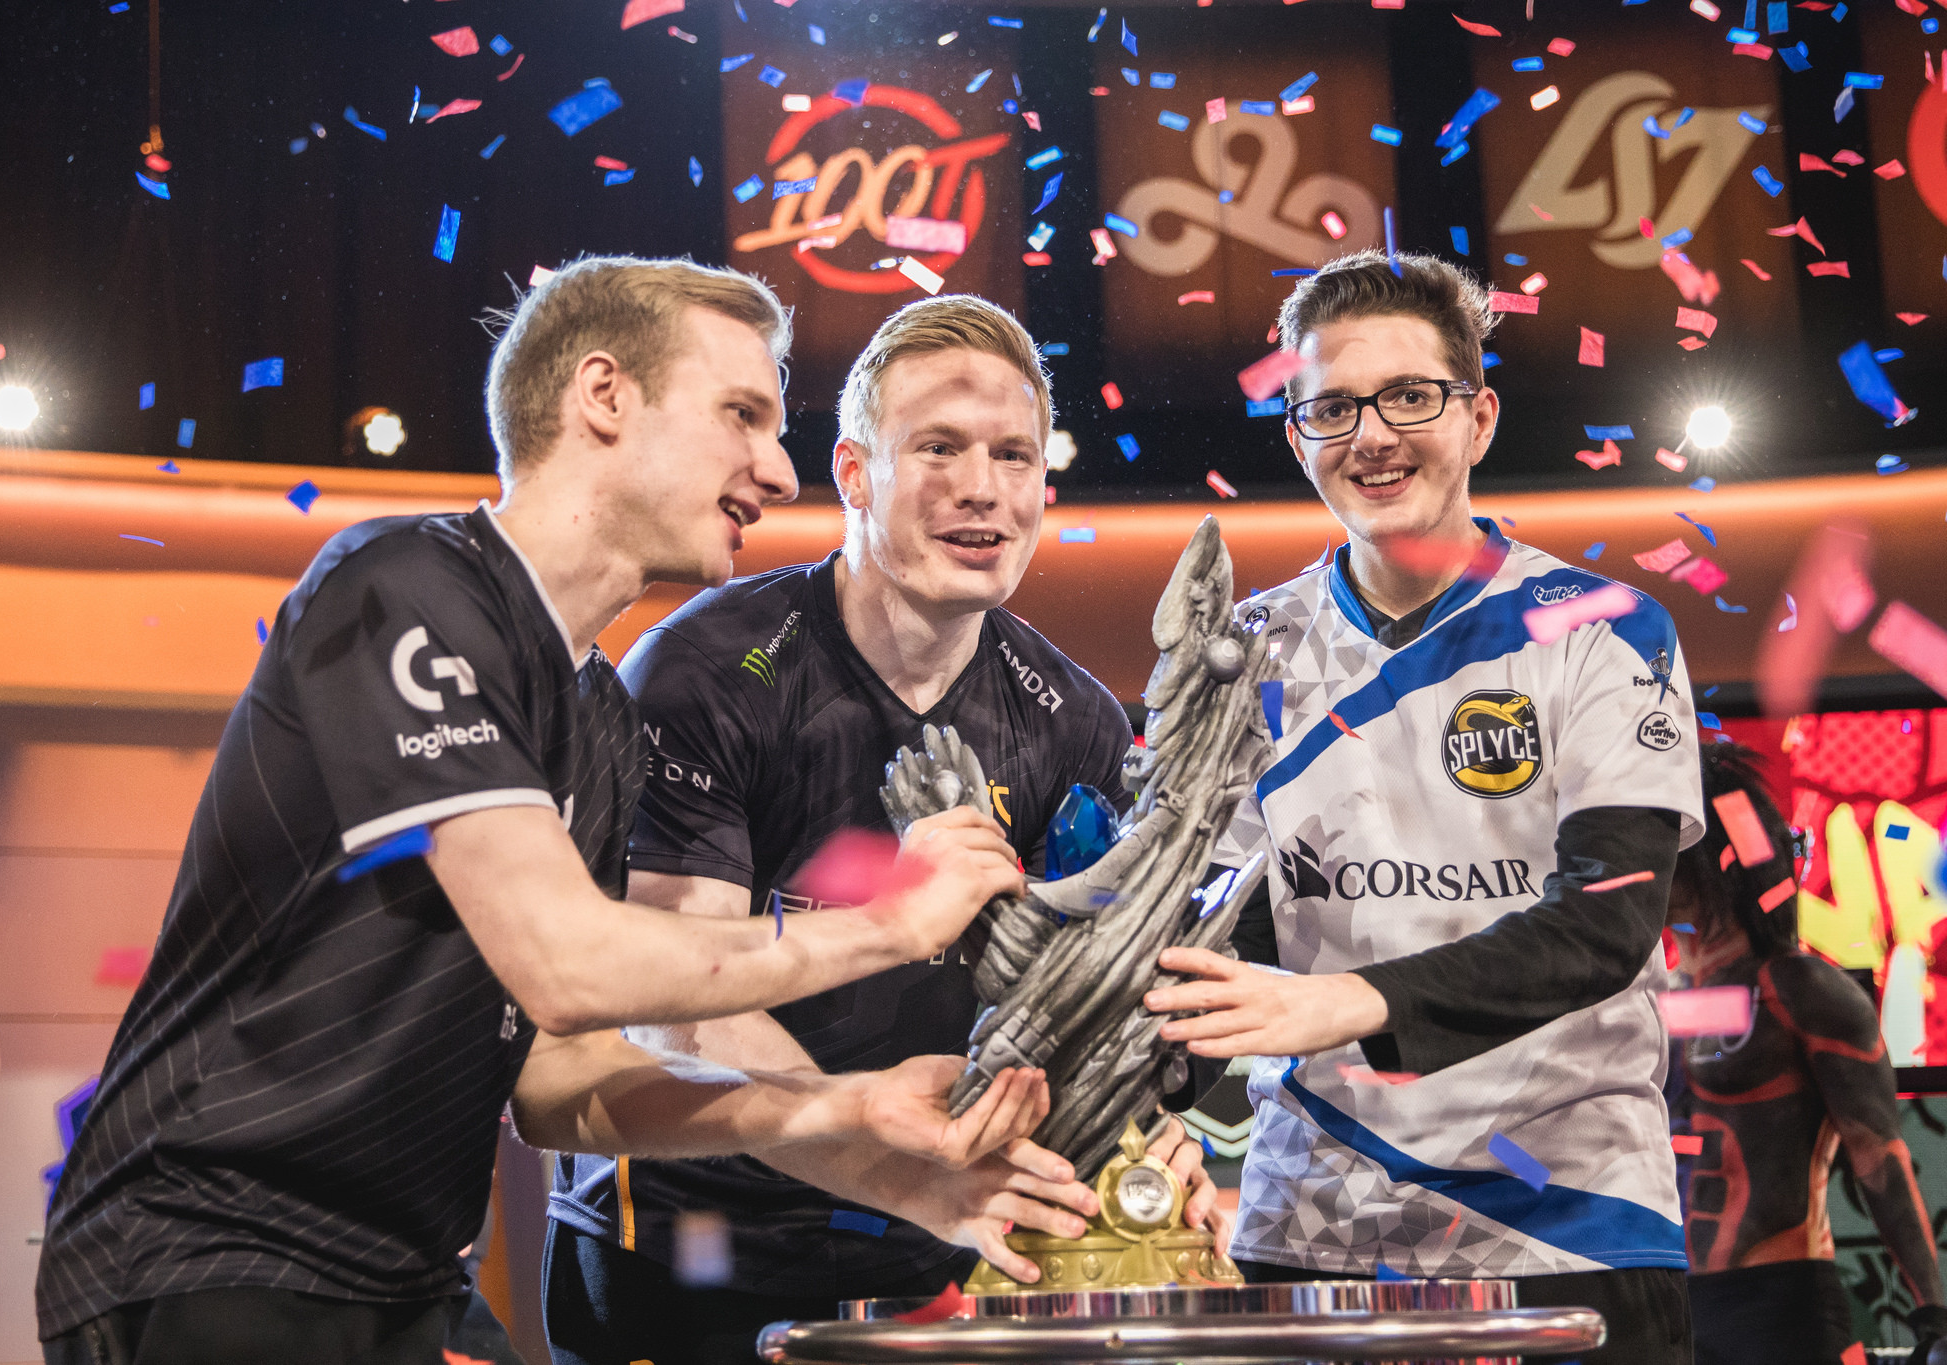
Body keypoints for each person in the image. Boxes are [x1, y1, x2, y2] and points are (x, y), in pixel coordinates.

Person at [35, 257, 1093, 1365]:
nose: (778, 472)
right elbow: (566, 962)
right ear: (604, 396)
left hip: (407, 1278)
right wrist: (888, 923)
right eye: (741, 415)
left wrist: (849, 1113)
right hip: (212, 1254)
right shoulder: (403, 585)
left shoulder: (598, 713)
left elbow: (558, 1084)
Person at [541, 294, 1219, 1365]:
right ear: (853, 474)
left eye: (1012, 454)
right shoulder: (705, 671)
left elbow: (1091, 997)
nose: (981, 488)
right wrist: (884, 1153)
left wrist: (1145, 1141)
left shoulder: (1077, 719)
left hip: (932, 1244)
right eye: (938, 447)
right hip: (691, 1248)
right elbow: (674, 1006)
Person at [1142, 250, 1705, 1363]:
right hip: (1312, 1226)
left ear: (1478, 418)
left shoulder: (1598, 625)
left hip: (1567, 1225)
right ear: (1297, 434)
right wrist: (1134, 1097)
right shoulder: (1242, 652)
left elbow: (1607, 924)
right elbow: (1214, 935)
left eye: (1409, 396)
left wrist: (1341, 1002)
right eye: (1332, 407)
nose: (1371, 436)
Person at [1668, 741, 1947, 1365]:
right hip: (1674, 1302)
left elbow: (1878, 1156)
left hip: (1782, 1303)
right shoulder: (1659, 999)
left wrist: (1933, 1312)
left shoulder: (1801, 989)